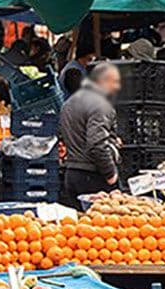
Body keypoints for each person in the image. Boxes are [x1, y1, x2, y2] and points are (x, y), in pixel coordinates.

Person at [59, 62, 122, 209]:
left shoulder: (69, 103)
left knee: (81, 222)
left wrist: (112, 141)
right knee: (103, 221)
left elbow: (73, 134)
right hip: (93, 176)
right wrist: (111, 174)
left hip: (72, 174)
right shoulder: (101, 105)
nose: (117, 87)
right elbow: (96, 144)